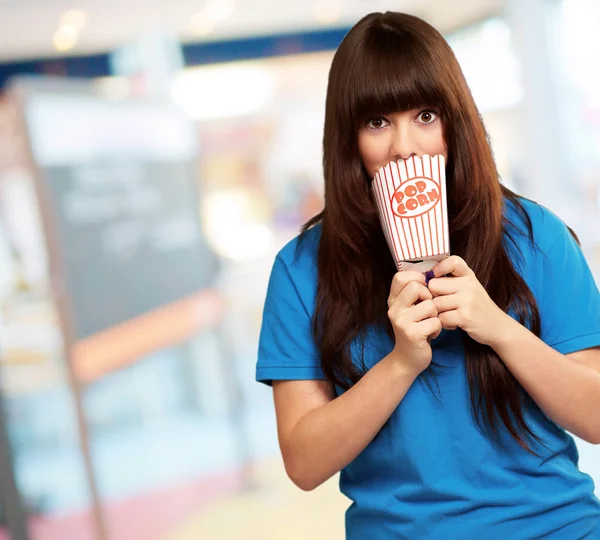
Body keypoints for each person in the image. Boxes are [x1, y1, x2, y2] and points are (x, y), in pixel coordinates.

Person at [256, 11, 600, 539]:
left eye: (424, 116)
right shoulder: (302, 269)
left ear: (454, 122)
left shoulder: (535, 237)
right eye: (377, 123)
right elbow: (303, 463)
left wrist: (498, 327)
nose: (404, 146)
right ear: (348, 138)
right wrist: (400, 363)